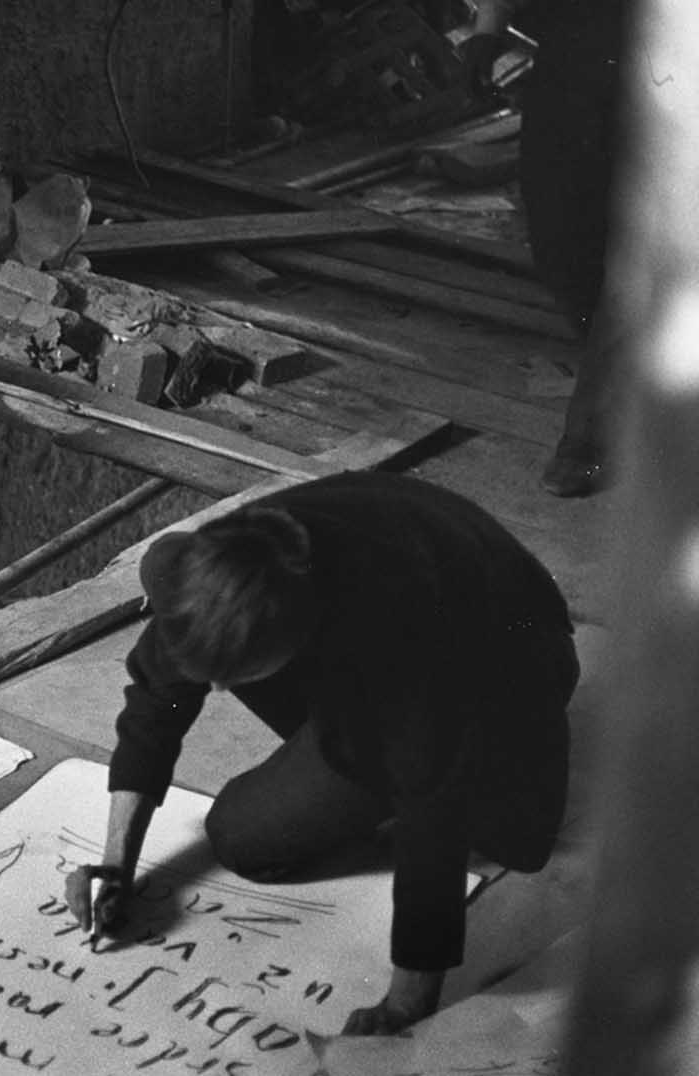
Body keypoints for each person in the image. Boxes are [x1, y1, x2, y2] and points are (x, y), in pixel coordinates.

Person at [64, 471, 578, 1036]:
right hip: (422, 556)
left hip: (510, 656)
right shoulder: (218, 569)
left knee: (246, 835)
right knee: (214, 682)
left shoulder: (390, 644)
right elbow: (154, 703)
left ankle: (480, 772)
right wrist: (115, 866)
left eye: (234, 676)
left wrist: (407, 1001)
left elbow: (433, 819)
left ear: (300, 637)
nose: (216, 693)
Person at [463, 0, 632, 496]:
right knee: (561, 239)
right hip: (572, 60)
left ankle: (591, 436)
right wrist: (487, 34)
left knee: (637, 255)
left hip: (671, 59)